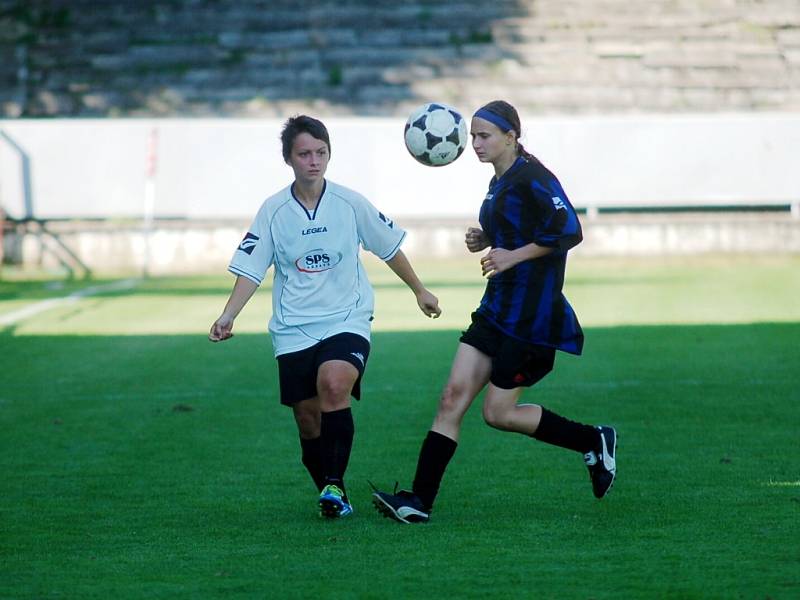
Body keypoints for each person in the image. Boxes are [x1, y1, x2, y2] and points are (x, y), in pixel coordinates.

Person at [371, 100, 616, 524]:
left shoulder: (534, 176)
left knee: (497, 414)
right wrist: (487, 237)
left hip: (531, 315)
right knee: (451, 398)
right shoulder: (499, 180)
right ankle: (418, 502)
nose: (476, 145)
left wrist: (512, 256)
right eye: (472, 138)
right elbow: (520, 227)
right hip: (497, 306)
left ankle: (593, 439)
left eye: (484, 136)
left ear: (511, 137)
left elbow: (569, 230)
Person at [210, 115, 441, 519]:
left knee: (333, 383)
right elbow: (251, 268)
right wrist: (229, 315)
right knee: (307, 420)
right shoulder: (273, 211)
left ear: (329, 154)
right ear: (289, 159)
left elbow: (387, 247)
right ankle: (335, 494)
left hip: (346, 317)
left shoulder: (350, 203)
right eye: (304, 154)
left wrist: (419, 290)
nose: (313, 161)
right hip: (293, 328)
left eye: (320, 152)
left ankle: (334, 481)